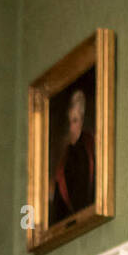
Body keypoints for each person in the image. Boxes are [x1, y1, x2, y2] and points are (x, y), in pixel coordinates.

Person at [50, 88, 95, 224]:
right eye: (69, 122)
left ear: (81, 121)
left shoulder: (90, 146)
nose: (71, 128)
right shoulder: (65, 158)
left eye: (75, 121)